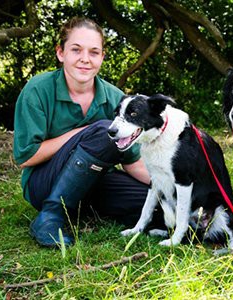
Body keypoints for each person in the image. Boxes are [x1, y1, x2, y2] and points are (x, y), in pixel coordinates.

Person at [13, 17, 158, 247]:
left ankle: (89, 210)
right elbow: (26, 156)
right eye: (76, 50)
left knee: (156, 201)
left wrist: (171, 187)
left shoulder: (115, 98)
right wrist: (84, 132)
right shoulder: (37, 90)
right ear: (61, 53)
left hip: (95, 180)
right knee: (104, 131)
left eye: (93, 52)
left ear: (102, 56)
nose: (85, 59)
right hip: (43, 184)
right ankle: (50, 216)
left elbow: (133, 162)